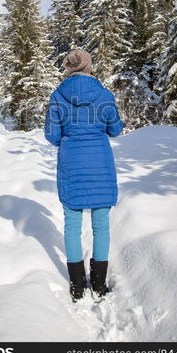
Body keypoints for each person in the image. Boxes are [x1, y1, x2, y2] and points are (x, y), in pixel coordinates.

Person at [44, 49, 124, 303]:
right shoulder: (104, 95)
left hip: (72, 164)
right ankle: (98, 283)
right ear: (89, 66)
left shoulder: (58, 97)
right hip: (100, 163)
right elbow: (116, 130)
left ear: (68, 67)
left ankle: (77, 284)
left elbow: (52, 136)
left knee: (72, 225)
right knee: (101, 225)